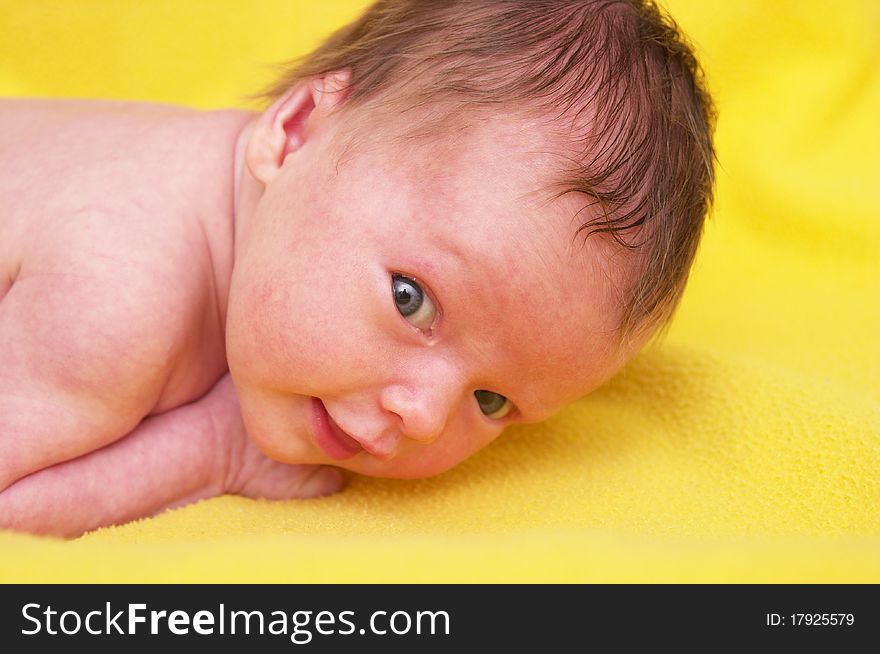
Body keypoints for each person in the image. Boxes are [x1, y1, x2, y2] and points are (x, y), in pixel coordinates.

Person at [0, 0, 715, 537]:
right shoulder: (117, 296)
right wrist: (216, 450)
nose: (425, 416)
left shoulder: (264, 226)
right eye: (412, 300)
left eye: (492, 402)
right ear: (296, 130)